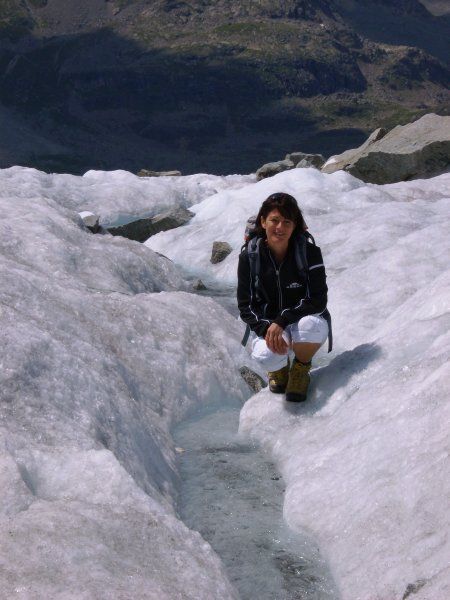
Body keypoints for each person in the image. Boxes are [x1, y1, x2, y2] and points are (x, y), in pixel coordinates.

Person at [237, 192, 329, 402]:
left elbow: (318, 299)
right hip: (268, 323)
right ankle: (278, 370)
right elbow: (245, 305)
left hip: (300, 319)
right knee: (266, 354)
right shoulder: (250, 257)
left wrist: (283, 320)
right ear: (263, 221)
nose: (280, 227)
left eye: (287, 222)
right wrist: (266, 329)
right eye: (274, 220)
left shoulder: (309, 253)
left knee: (310, 327)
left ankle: (300, 368)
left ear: (295, 225)